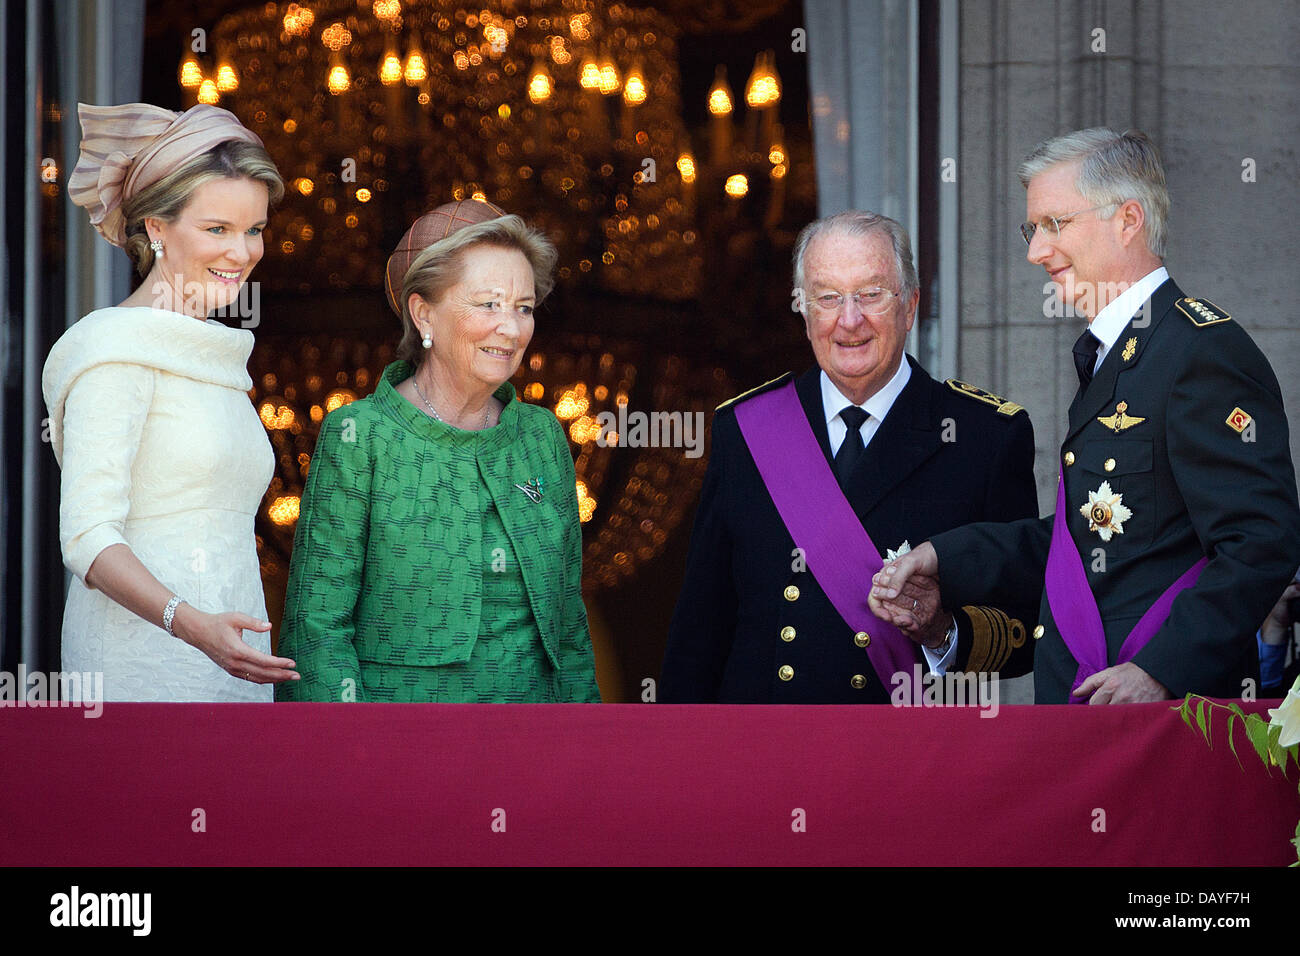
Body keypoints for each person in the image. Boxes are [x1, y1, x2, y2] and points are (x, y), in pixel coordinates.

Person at [872, 128, 1300, 704]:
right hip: (1092, 710)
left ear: (1127, 221)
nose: (1035, 252)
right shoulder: (1119, 352)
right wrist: (943, 558)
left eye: (1055, 224)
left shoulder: (1200, 351)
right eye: (1033, 229)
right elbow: (1088, 541)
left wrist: (1161, 671)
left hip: (1166, 725)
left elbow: (1262, 540)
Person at [660, 211, 1039, 703]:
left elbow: (1027, 632)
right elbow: (700, 629)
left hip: (903, 757)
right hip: (768, 753)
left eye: (871, 294)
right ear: (804, 310)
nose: (850, 319)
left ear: (911, 305)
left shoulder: (985, 437)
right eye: (828, 297)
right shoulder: (747, 430)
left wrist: (941, 632)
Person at [277, 200, 600, 703]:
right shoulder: (361, 436)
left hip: (534, 745)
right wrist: (351, 762)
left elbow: (569, 628)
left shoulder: (540, 436)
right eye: (488, 304)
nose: (511, 329)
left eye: (523, 307)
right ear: (424, 313)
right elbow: (316, 628)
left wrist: (587, 756)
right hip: (399, 747)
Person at [42, 102, 297, 701]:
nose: (242, 253)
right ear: (156, 226)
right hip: (140, 673)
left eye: (254, 229)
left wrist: (219, 637)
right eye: (217, 229)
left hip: (233, 665)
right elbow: (87, 539)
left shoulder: (216, 356)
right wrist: (194, 627)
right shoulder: (115, 348)